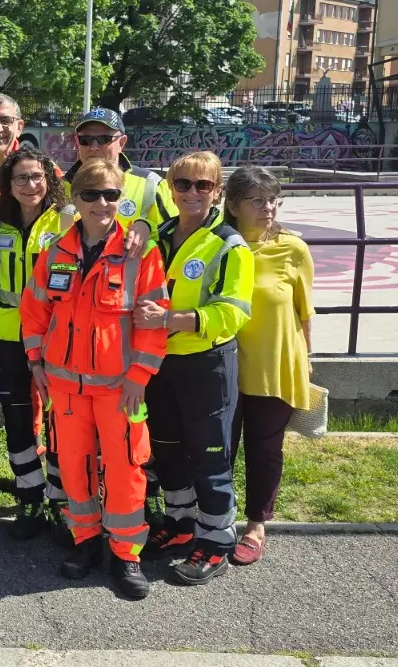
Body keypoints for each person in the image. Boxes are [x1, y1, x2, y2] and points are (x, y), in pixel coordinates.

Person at [20, 159, 169, 600]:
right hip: (65, 387)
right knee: (75, 468)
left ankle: (126, 555)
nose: (101, 203)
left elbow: (152, 322)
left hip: (120, 388)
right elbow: (35, 311)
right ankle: (85, 542)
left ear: (120, 200)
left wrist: (140, 375)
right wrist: (35, 363)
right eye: (90, 195)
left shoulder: (140, 253)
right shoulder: (56, 252)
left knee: (125, 470)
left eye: (110, 195)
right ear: (76, 200)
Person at [133, 151, 254, 587]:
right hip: (159, 361)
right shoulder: (159, 234)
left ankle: (216, 540)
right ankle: (180, 523)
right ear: (170, 188)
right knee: (165, 449)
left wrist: (167, 320)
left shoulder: (228, 244)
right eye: (182, 183)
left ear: (217, 191)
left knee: (208, 455)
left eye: (203, 185)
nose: (192, 192)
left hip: (205, 364)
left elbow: (232, 313)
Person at [223, 165, 314, 566]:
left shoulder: (293, 248)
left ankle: (256, 523)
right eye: (257, 200)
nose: (268, 208)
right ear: (232, 206)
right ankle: (216, 519)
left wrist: (306, 363)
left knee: (264, 449)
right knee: (218, 449)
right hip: (223, 368)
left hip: (274, 364)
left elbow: (305, 312)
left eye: (272, 199)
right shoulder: (218, 243)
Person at [0, 147, 76, 540]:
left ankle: (60, 499)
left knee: (59, 420)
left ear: (50, 179)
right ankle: (30, 494)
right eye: (21, 178)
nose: (30, 185)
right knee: (17, 417)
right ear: (8, 185)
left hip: (56, 337)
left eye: (37, 177)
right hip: (6, 334)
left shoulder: (67, 222)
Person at [65, 108, 172, 255]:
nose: (94, 147)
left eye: (104, 139)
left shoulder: (151, 185)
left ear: (122, 142)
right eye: (86, 140)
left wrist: (147, 226)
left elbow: (177, 234)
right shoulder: (59, 186)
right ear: (77, 142)